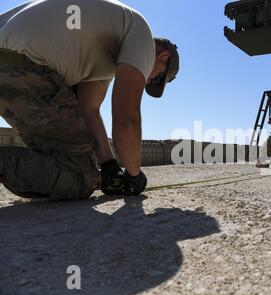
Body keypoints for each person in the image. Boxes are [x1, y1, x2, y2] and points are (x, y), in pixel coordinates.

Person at [0, 0, 179, 200]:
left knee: (58, 158)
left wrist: (109, 165)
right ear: (162, 56)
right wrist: (134, 174)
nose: (147, 79)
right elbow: (126, 117)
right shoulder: (141, 36)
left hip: (12, 58)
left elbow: (89, 108)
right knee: (81, 175)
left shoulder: (109, 42)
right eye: (156, 78)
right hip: (19, 64)